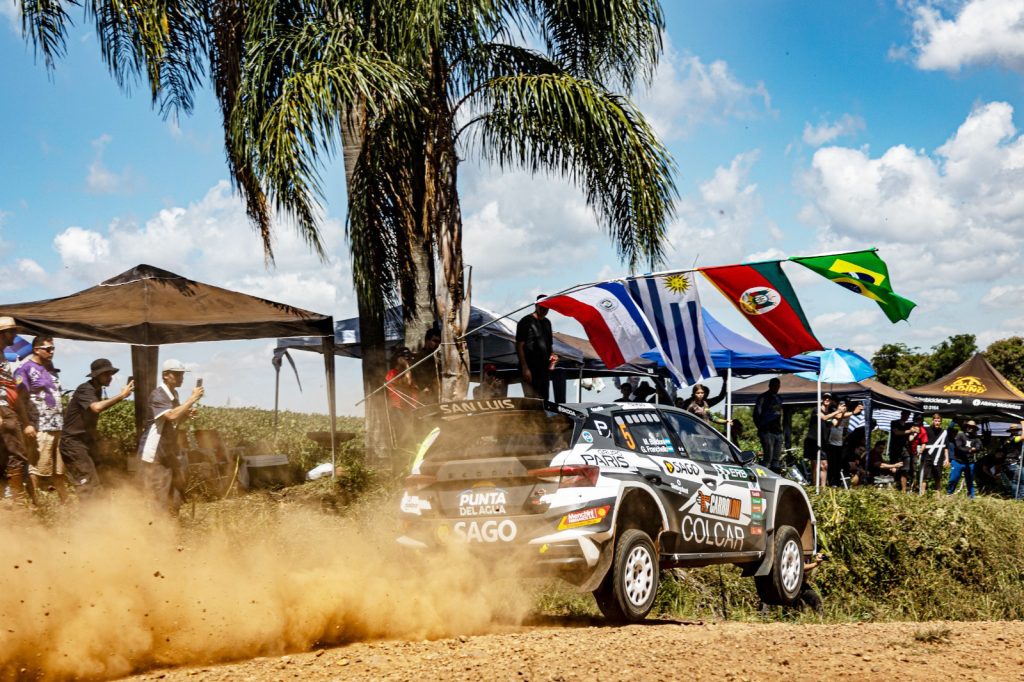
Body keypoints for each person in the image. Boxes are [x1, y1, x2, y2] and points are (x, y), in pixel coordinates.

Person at [59, 358, 133, 498]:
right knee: (87, 483)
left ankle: (101, 510)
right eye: (106, 374)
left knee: (100, 479)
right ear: (96, 375)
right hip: (73, 443)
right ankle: (90, 512)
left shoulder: (96, 390)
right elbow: (96, 407)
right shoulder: (85, 389)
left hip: (85, 442)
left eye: (110, 374)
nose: (110, 377)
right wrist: (122, 396)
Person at [137, 359, 204, 514]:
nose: (181, 378)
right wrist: (192, 399)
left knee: (175, 492)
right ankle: (157, 525)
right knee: (160, 494)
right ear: (166, 375)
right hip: (155, 454)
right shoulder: (158, 395)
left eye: (182, 374)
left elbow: (175, 419)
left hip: (167, 452)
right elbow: (171, 416)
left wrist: (186, 414)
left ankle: (171, 522)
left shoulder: (173, 394)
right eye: (177, 374)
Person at [14, 336, 68, 502]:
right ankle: (35, 504)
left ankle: (65, 503)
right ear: (36, 349)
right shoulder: (25, 369)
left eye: (53, 349)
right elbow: (19, 399)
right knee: (37, 468)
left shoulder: (50, 368)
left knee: (59, 470)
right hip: (39, 426)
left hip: (57, 425)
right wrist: (26, 424)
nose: (52, 352)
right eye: (48, 349)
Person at [0, 317, 35, 507]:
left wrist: (26, 421)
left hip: (9, 409)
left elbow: (14, 391)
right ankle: (18, 501)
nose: (14, 334)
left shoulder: (4, 357)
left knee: (8, 456)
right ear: (2, 334)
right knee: (17, 454)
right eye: (11, 331)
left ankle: (9, 502)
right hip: (3, 410)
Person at [516, 296, 556, 400]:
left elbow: (549, 345)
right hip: (530, 368)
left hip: (544, 370)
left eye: (546, 307)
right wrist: (525, 368)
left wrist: (553, 357)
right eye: (541, 307)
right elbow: (519, 345)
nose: (544, 309)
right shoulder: (526, 321)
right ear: (536, 305)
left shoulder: (547, 323)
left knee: (544, 400)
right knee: (532, 400)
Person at [753, 377, 784, 472]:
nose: (776, 388)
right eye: (774, 385)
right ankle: (763, 474)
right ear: (769, 386)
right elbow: (756, 414)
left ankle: (775, 474)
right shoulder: (763, 397)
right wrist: (762, 428)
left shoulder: (779, 398)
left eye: (777, 386)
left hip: (777, 431)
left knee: (776, 458)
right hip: (766, 431)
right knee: (768, 457)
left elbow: (779, 414)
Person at [948, 420, 982, 499]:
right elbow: (959, 446)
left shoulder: (976, 438)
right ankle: (949, 493)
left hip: (970, 462)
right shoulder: (960, 435)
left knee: (970, 480)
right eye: (969, 426)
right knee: (953, 479)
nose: (971, 428)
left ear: (975, 428)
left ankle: (971, 497)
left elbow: (979, 446)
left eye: (973, 427)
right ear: (966, 427)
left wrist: (976, 449)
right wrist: (969, 450)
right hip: (958, 461)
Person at [920, 413, 949, 495]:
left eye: (939, 421)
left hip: (939, 457)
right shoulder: (926, 430)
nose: (937, 423)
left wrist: (947, 459)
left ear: (941, 422)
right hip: (927, 456)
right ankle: (922, 495)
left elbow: (946, 447)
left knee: (938, 477)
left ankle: (938, 496)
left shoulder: (944, 433)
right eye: (935, 421)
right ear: (932, 421)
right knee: (925, 477)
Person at [412, 328, 442, 404]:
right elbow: (418, 378)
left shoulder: (438, 357)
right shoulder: (419, 358)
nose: (437, 344)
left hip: (438, 395)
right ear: (427, 341)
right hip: (425, 396)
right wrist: (424, 388)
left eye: (439, 342)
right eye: (435, 341)